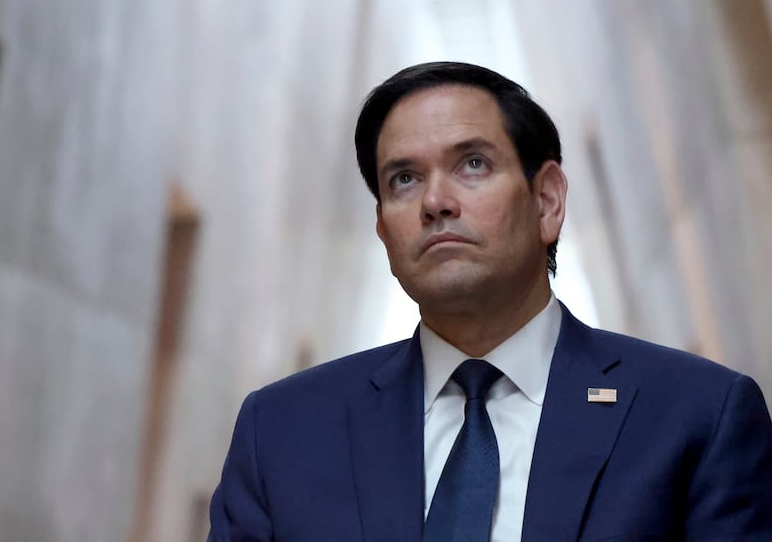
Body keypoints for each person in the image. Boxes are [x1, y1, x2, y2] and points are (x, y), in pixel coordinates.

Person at [207, 61, 772, 541]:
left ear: (547, 200)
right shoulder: (281, 431)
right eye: (403, 179)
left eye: (472, 164)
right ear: (383, 228)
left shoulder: (698, 416)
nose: (434, 201)